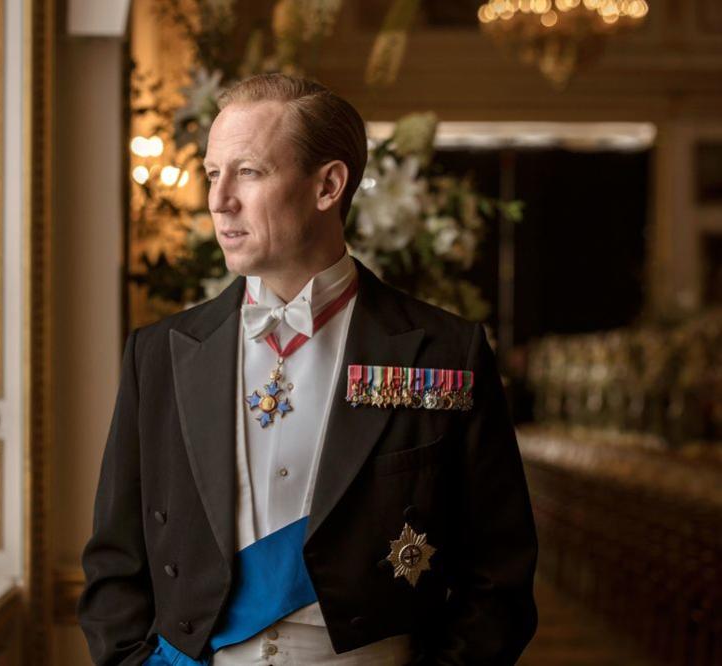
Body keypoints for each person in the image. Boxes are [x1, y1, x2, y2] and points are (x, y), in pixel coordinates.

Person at [78, 73, 538, 665]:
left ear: (328, 186)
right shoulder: (160, 353)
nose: (218, 200)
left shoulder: (444, 353)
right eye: (213, 174)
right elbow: (115, 561)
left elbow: (498, 575)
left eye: (248, 172)